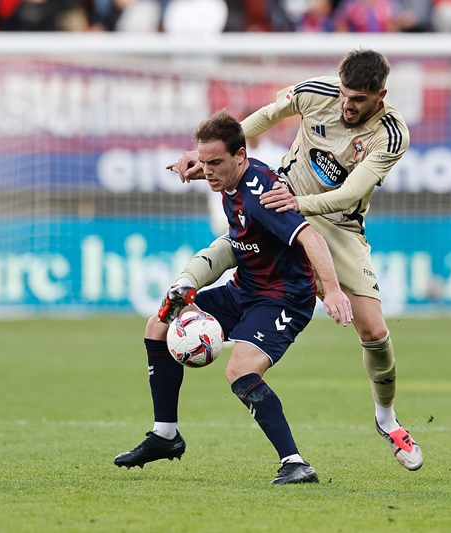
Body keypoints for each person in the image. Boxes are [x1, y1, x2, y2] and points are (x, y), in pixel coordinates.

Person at [166, 49, 424, 472]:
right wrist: (214, 154)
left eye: (358, 99)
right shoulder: (314, 92)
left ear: (381, 95)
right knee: (236, 247)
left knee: (375, 331)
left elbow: (350, 193)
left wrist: (299, 203)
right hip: (280, 200)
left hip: (337, 226)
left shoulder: (392, 134)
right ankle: (166, 428)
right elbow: (264, 118)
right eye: (344, 94)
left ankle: (386, 418)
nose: (347, 105)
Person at [114, 110, 353, 485]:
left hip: (283, 299)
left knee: (239, 370)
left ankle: (295, 463)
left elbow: (311, 237)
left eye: (215, 163)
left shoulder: (260, 195)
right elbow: (229, 242)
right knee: (158, 324)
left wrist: (334, 290)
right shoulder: (229, 179)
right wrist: (195, 162)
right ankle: (165, 435)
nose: (207, 171)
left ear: (240, 156)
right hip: (244, 290)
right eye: (203, 162)